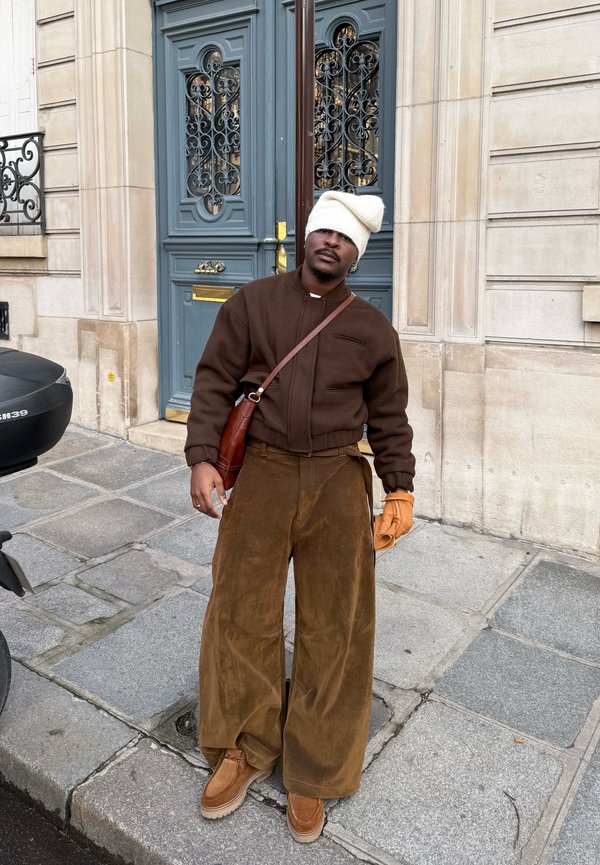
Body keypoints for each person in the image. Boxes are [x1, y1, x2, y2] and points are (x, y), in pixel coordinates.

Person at [185, 190, 415, 843]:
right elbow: (213, 382)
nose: (332, 243)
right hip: (262, 471)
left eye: (346, 239)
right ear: (307, 235)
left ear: (355, 254)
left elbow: (390, 418)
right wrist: (203, 457)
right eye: (325, 231)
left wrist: (400, 490)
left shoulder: (372, 328)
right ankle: (245, 744)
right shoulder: (251, 304)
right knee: (241, 608)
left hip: (339, 477)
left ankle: (313, 766)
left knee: (334, 625)